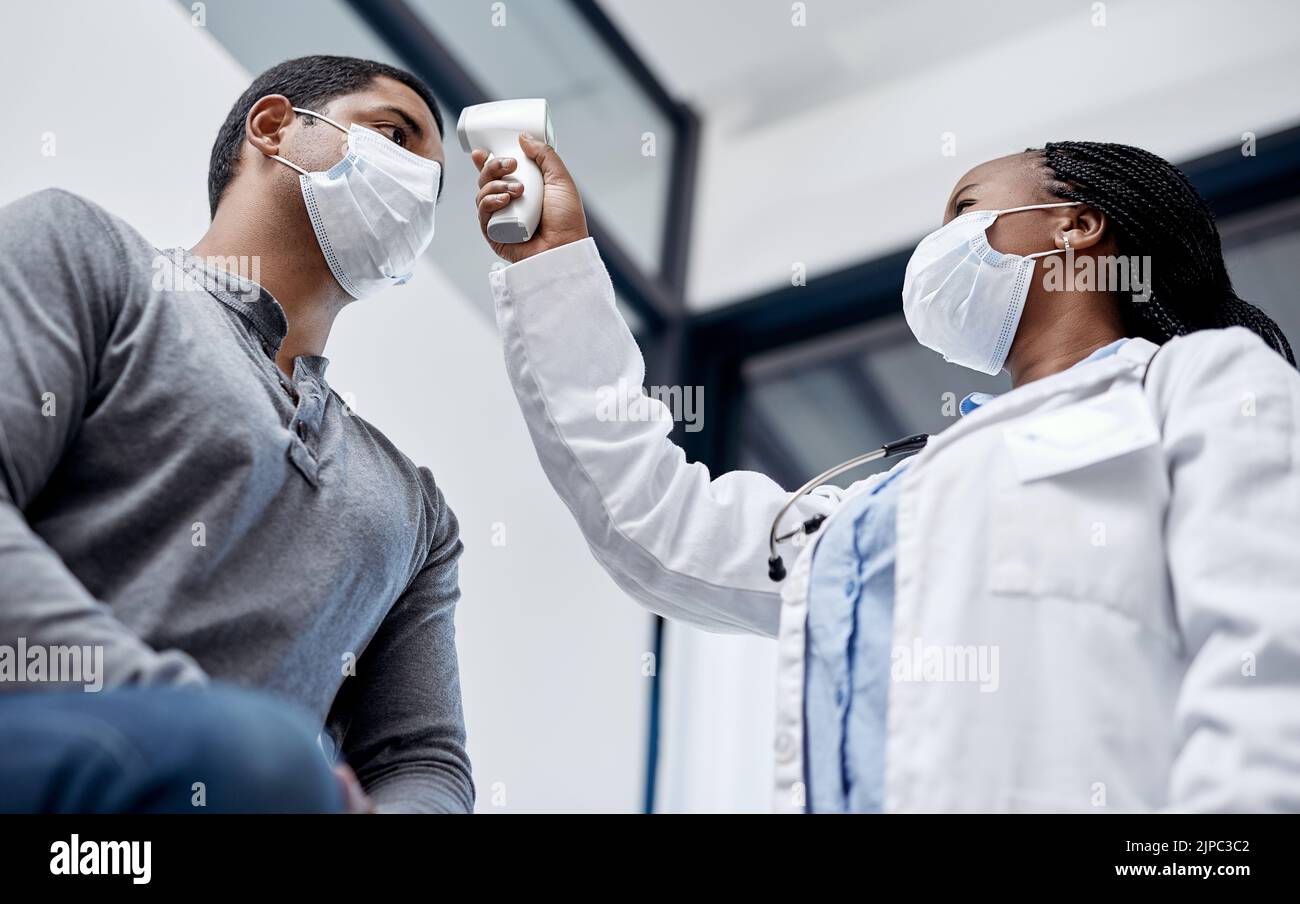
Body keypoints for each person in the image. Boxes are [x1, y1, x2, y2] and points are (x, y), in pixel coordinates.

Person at [471, 137, 1300, 812]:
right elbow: (652, 524)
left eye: (965, 208)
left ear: (1077, 226)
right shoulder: (878, 509)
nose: (937, 241)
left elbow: (1271, 659)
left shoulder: (1198, 386)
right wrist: (553, 271)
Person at [0, 55, 471, 813]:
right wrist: (203, 732)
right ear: (276, 126)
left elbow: (422, 757)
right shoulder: (88, 255)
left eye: (435, 183)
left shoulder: (416, 512)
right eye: (394, 136)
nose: (417, 186)